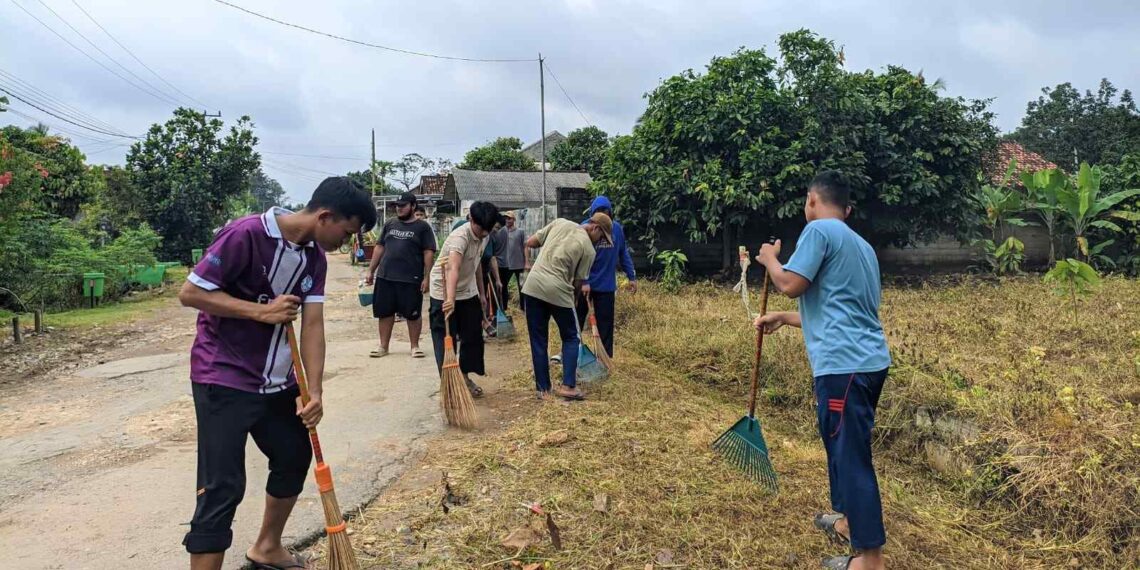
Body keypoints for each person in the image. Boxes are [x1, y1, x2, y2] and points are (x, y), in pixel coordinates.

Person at [178, 177, 376, 570]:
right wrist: (261, 311)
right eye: (346, 233)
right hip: (223, 377)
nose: (346, 243)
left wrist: (314, 391)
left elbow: (313, 325)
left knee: (293, 454)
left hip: (278, 383)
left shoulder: (314, 259)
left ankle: (267, 547)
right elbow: (192, 293)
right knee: (222, 486)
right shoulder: (246, 234)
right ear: (325, 216)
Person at [753, 171, 891, 570]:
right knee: (843, 447)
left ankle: (870, 561)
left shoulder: (818, 231)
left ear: (812, 200)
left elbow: (790, 284)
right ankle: (848, 523)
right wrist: (784, 318)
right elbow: (840, 310)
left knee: (851, 457)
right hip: (868, 362)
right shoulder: (861, 246)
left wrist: (770, 259)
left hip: (843, 366)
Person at [522, 213, 611, 400]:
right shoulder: (588, 250)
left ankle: (543, 389)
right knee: (571, 337)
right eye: (602, 237)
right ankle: (568, 386)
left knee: (538, 339)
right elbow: (578, 282)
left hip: (532, 287)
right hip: (558, 290)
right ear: (595, 228)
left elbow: (531, 242)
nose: (600, 241)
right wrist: (575, 299)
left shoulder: (560, 222)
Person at [430, 202, 505, 398]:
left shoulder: (484, 236)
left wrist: (481, 293)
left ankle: (464, 376)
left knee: (472, 336)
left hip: (467, 289)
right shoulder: (459, 238)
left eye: (488, 229)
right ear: (471, 219)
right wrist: (450, 299)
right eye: (481, 228)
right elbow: (452, 268)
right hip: (444, 290)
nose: (484, 233)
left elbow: (476, 263)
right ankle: (449, 383)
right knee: (445, 338)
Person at [364, 191, 436, 358]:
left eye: (403, 206)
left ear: (413, 206)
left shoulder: (423, 227)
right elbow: (379, 247)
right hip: (386, 276)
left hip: (411, 279)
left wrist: (427, 277)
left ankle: (415, 346)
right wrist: (371, 270)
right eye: (397, 206)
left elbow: (428, 252)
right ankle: (383, 346)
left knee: (413, 314)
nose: (399, 209)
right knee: (385, 312)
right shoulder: (390, 224)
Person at [575, 196, 637, 358]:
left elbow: (623, 253)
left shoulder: (616, 229)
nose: (603, 214)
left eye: (606, 211)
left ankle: (605, 358)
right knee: (577, 320)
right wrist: (584, 281)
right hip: (584, 285)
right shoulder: (585, 228)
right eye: (599, 211)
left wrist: (631, 276)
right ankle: (571, 353)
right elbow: (578, 257)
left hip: (606, 286)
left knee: (605, 325)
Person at [493, 211, 528, 311]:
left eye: (509, 218)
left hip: (519, 264)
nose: (507, 220)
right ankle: (504, 307)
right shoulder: (501, 231)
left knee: (522, 287)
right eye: (506, 218)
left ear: (514, 219)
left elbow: (525, 246)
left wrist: (527, 262)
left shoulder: (520, 232)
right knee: (503, 286)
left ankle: (523, 307)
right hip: (506, 265)